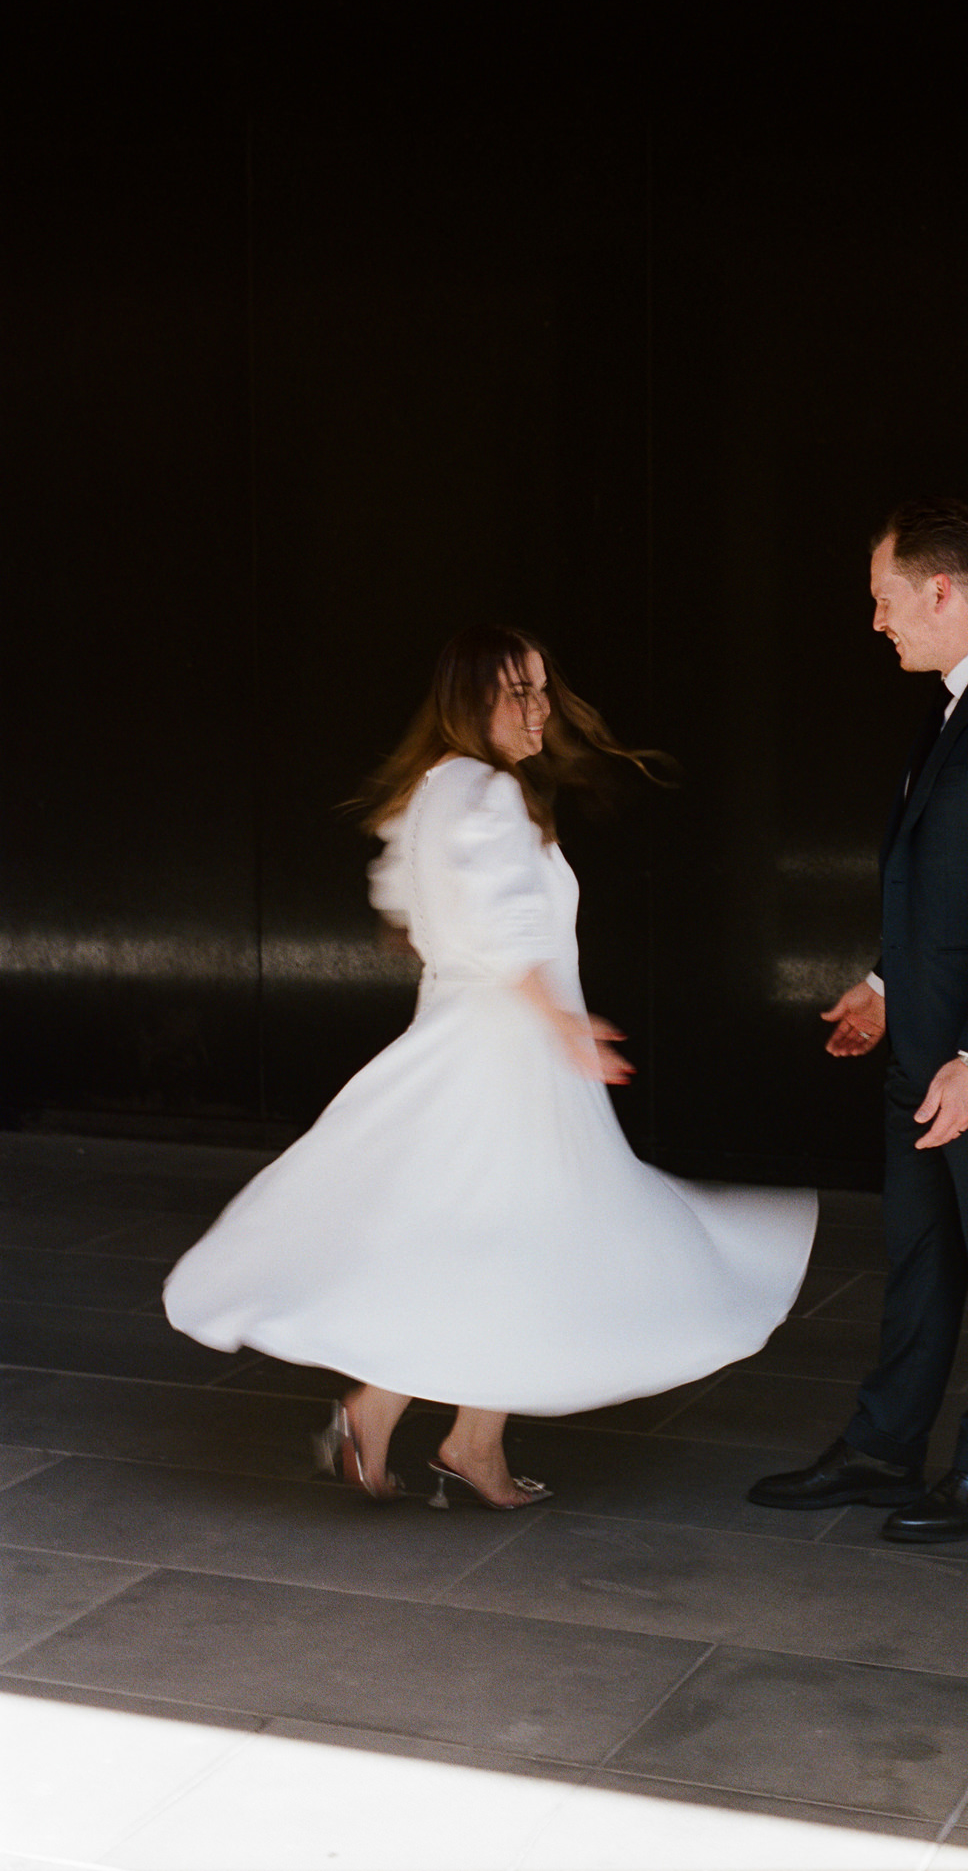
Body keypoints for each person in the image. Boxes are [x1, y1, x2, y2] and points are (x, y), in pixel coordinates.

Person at [166, 625, 816, 1510]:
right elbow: (508, 924)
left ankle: (416, 1428)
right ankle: (445, 1436)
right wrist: (564, 1022)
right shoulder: (489, 795)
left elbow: (405, 901)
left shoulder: (431, 790)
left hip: (469, 1033)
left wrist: (466, 974)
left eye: (544, 688)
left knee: (489, 1236)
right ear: (472, 703)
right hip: (510, 1048)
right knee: (523, 1235)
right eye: (519, 692)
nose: (539, 707)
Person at [749, 500, 968, 1542]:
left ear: (940, 590)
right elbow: (947, 887)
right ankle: (884, 1447)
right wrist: (885, 987)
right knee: (920, 1258)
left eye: (885, 599)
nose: (876, 621)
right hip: (923, 1043)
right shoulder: (959, 703)